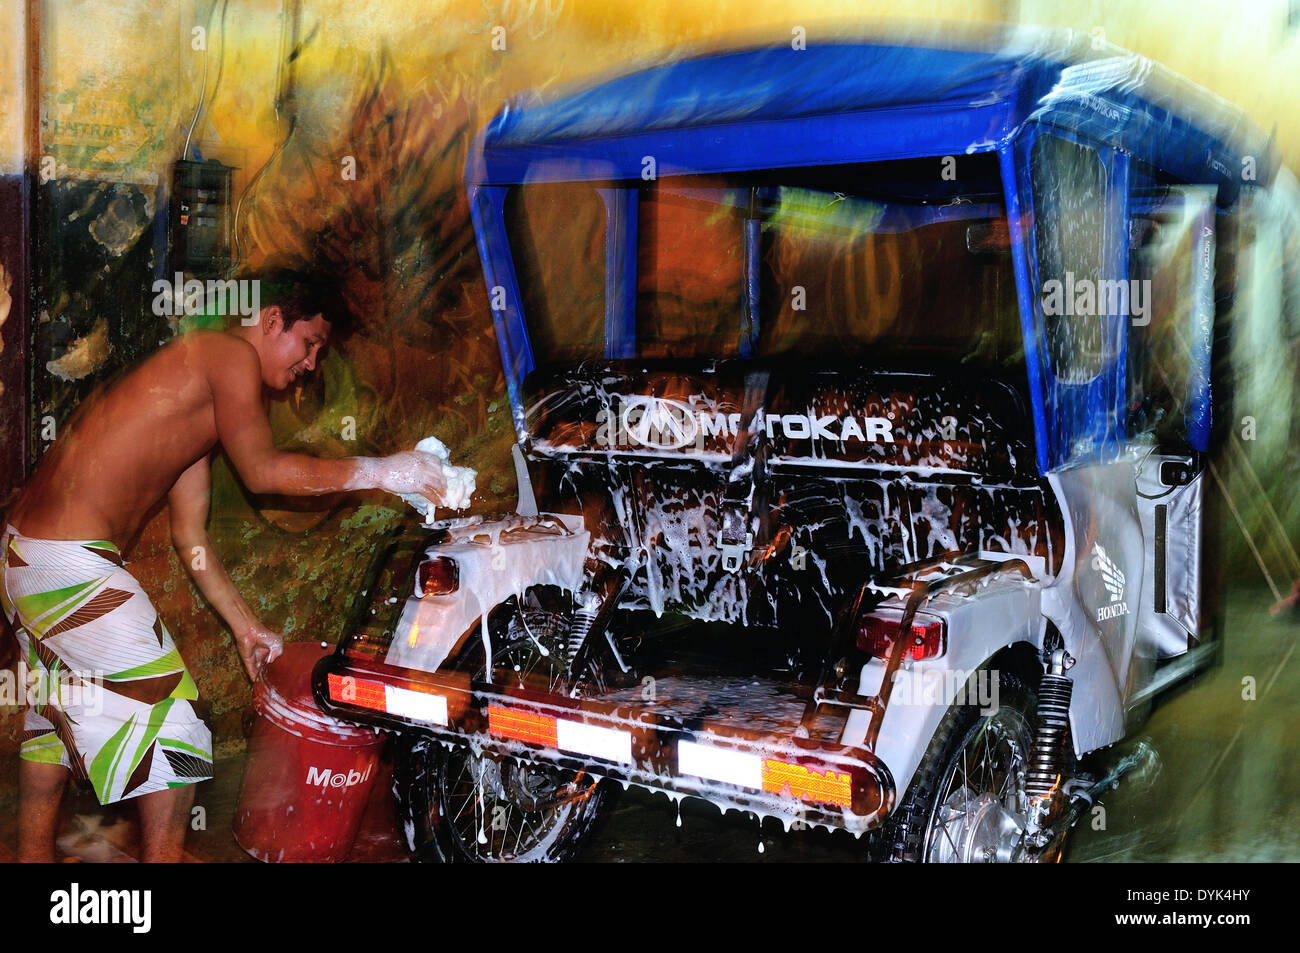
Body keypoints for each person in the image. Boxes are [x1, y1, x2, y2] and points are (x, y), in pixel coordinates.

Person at [0, 270, 448, 862]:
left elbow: (190, 536)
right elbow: (264, 471)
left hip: (23, 559)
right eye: (308, 343)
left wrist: (244, 627)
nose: (312, 364)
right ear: (270, 321)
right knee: (175, 726)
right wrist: (383, 470)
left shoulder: (198, 383)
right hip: (66, 563)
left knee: (54, 715)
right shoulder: (229, 354)